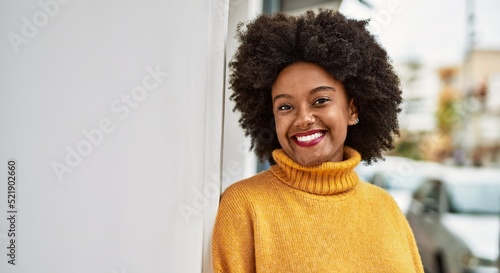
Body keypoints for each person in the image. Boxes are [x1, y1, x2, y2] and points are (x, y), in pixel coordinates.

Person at [212, 9, 424, 273]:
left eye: (321, 100)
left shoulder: (386, 209)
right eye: (285, 106)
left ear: (352, 110)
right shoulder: (245, 205)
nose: (303, 119)